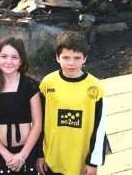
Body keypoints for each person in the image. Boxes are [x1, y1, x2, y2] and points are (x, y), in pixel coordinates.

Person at [37, 31, 106, 175]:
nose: (71, 63)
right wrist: (39, 154)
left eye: (77, 58)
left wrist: (93, 162)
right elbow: (38, 122)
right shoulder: (47, 83)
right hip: (52, 160)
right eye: (66, 57)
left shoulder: (95, 87)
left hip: (80, 165)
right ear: (57, 57)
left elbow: (100, 128)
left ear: (84, 58)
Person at [0, 36, 42, 174]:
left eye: (14, 57)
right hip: (0, 154)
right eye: (4, 56)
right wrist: (6, 154)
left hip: (25, 153)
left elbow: (37, 124)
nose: (9, 61)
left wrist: (22, 156)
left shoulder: (30, 86)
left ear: (21, 61)